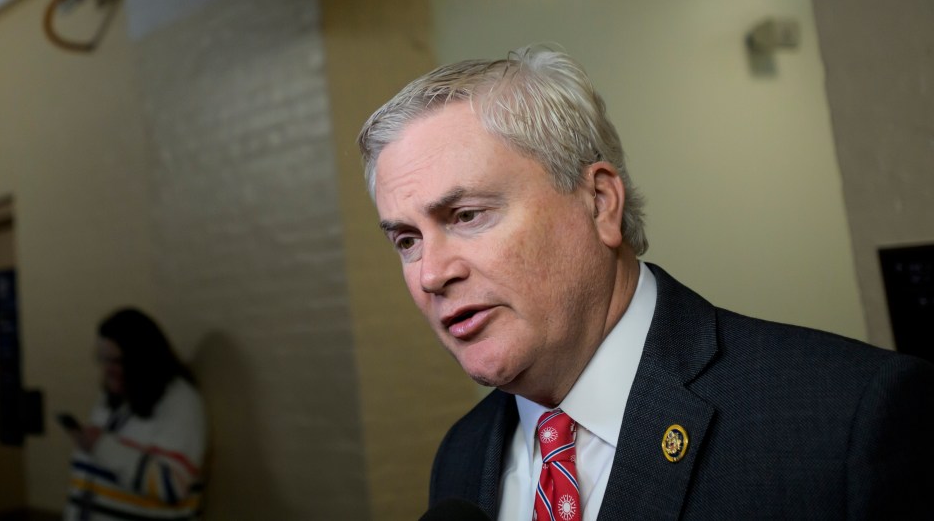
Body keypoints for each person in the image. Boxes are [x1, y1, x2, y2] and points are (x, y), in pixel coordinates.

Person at [357, 46, 934, 520]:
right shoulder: (461, 455)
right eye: (407, 241)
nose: (432, 273)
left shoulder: (848, 416)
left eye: (467, 216)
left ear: (600, 202)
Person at [62, 308, 206, 521]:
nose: (107, 370)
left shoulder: (179, 401)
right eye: (102, 360)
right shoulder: (115, 398)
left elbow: (172, 485)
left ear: (142, 358)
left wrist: (101, 446)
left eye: (116, 361)